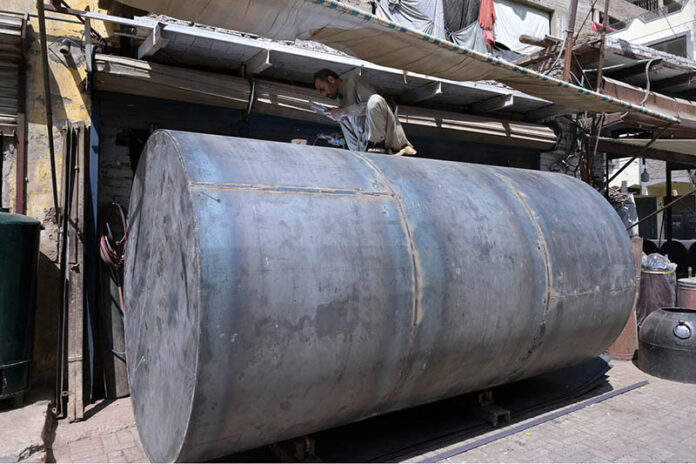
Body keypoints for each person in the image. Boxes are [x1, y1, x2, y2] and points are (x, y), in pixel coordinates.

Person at [313, 69, 417, 156]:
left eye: (323, 89)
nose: (324, 94)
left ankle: (377, 144)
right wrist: (338, 115)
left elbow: (371, 106)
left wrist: (344, 111)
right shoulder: (341, 102)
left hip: (388, 139)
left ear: (331, 80)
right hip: (364, 147)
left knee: (375, 100)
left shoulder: (354, 81)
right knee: (342, 119)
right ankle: (358, 153)